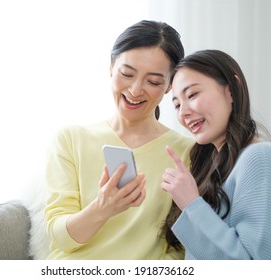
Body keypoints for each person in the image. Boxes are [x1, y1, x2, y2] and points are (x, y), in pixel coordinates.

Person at [44, 20, 194, 259]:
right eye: (127, 74)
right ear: (111, 67)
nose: (135, 90)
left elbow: (182, 248)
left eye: (153, 81)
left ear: (169, 86)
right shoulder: (71, 140)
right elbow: (61, 238)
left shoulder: (186, 152)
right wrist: (103, 208)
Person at [161, 49, 271, 260]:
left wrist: (191, 204)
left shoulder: (260, 158)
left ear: (232, 90)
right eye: (177, 105)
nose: (183, 113)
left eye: (192, 95)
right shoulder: (218, 167)